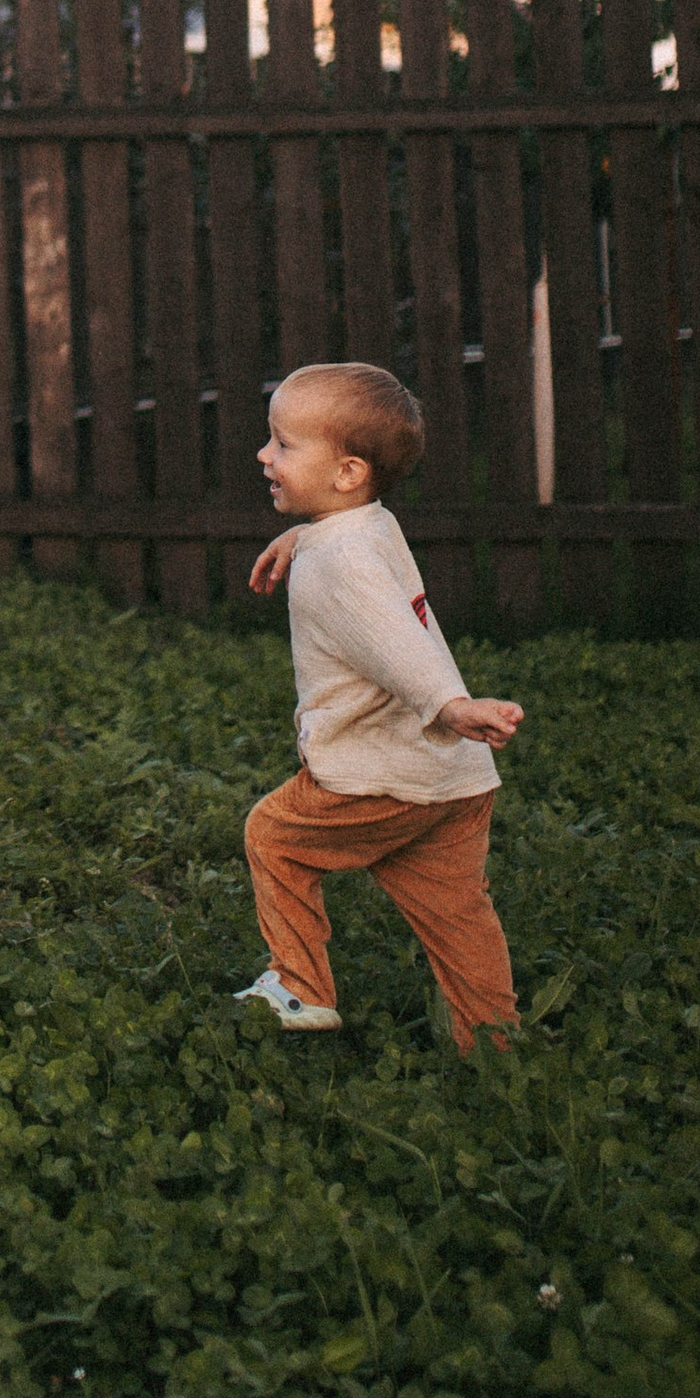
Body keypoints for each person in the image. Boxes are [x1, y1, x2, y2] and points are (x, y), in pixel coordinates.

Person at [235, 361, 523, 1048]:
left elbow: (396, 643)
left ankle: (300, 987)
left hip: (379, 775)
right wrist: (301, 534)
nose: (264, 455)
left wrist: (450, 706)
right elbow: (351, 543)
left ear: (347, 473)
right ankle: (495, 1041)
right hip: (451, 781)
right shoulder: (369, 526)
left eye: (283, 444)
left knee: (274, 837)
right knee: (458, 914)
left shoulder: (340, 563)